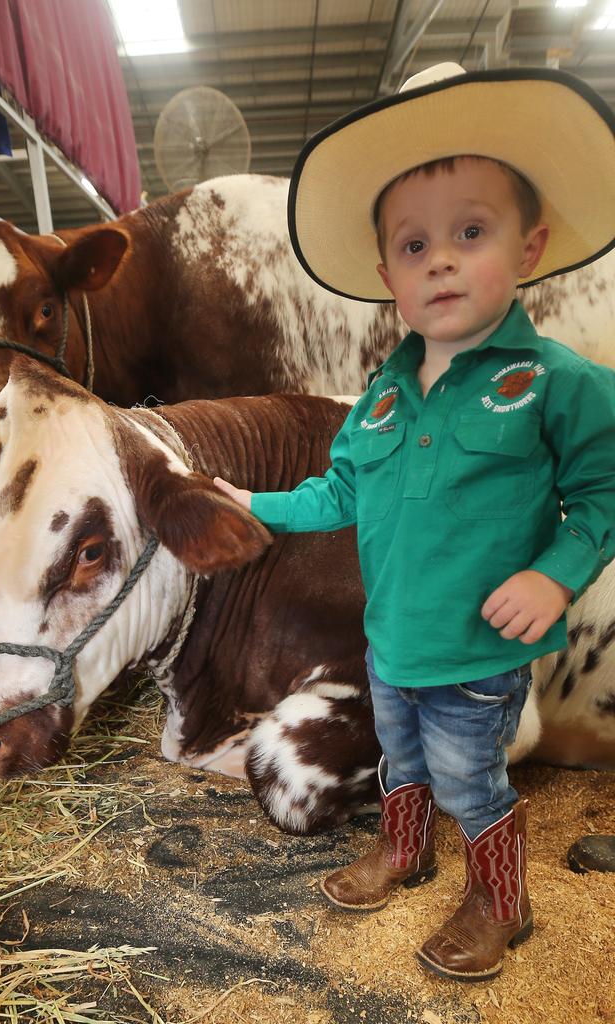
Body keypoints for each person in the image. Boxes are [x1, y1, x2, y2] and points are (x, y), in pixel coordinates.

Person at [213, 63, 615, 982]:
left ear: (529, 246)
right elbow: (339, 494)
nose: (440, 258)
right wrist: (250, 504)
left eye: (471, 232)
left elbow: (603, 496)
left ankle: (501, 902)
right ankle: (405, 850)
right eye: (414, 243)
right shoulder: (382, 400)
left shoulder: (560, 384)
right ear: (387, 271)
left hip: (477, 656)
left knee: (472, 780)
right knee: (399, 758)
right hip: (389, 643)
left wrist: (554, 573)